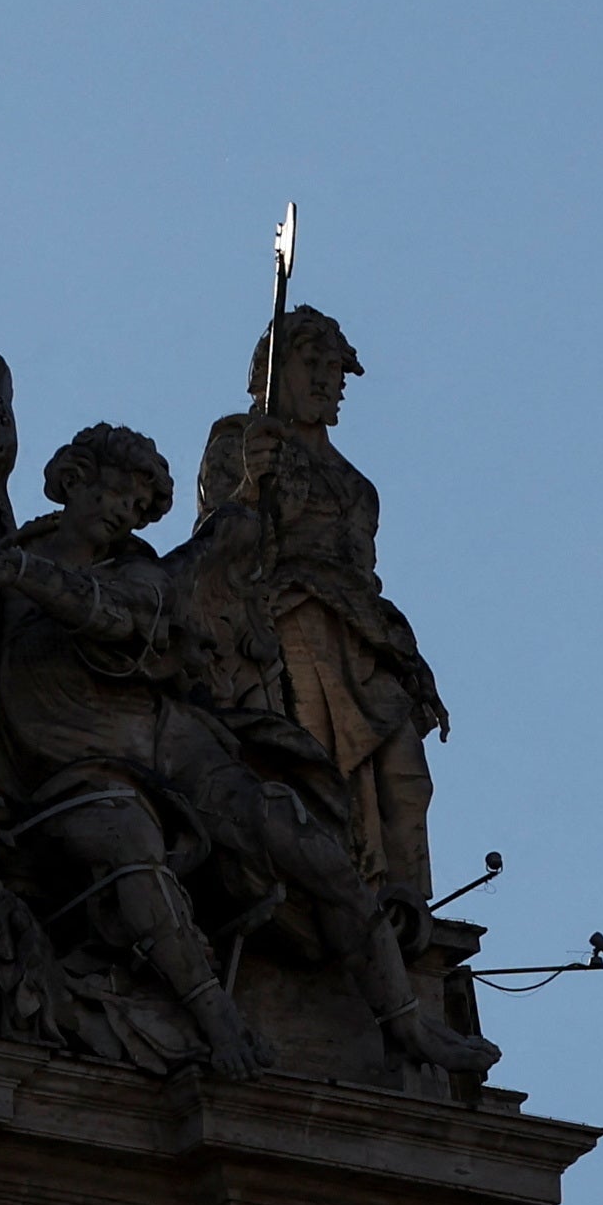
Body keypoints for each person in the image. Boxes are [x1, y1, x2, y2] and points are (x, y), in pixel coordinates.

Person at [0, 426, 493, 1081]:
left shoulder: (127, 571)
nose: (126, 516)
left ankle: (406, 1020)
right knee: (130, 840)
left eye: (138, 509)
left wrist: (21, 573)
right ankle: (218, 1020)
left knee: (298, 835)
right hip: (77, 772)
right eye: (119, 495)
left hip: (172, 748)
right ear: (72, 478)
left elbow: (120, 616)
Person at [182, 304, 444, 898]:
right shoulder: (239, 439)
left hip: (355, 631)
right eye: (312, 364)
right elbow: (217, 542)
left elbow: (360, 576)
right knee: (318, 765)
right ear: (271, 374)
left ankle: (405, 897)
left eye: (336, 369)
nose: (329, 380)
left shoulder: (355, 486)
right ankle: (333, 880)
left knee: (405, 768)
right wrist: (253, 484)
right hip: (281, 621)